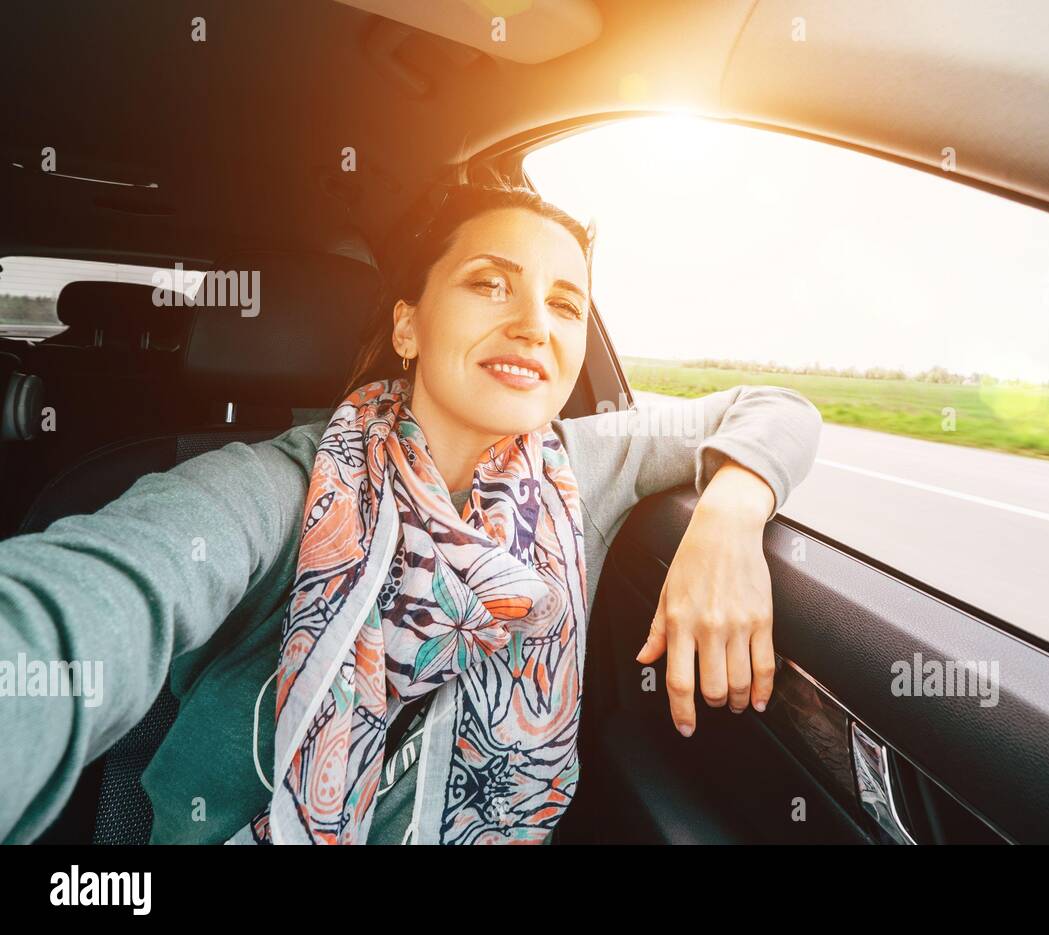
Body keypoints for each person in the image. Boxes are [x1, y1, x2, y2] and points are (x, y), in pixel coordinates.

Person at [0, 182, 822, 844]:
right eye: (490, 283)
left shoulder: (585, 466)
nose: (534, 323)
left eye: (566, 304)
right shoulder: (281, 488)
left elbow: (772, 405)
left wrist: (728, 517)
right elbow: (104, 596)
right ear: (408, 325)